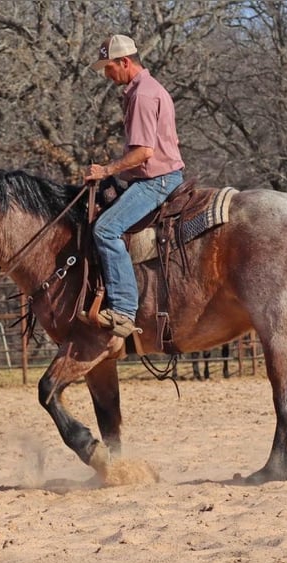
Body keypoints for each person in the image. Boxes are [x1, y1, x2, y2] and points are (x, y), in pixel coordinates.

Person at [83, 34, 185, 338]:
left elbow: (144, 152)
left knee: (105, 229)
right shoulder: (147, 89)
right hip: (160, 176)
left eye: (109, 67)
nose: (106, 74)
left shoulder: (142, 95)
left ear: (125, 62)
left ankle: (124, 310)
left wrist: (106, 171)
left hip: (156, 181)